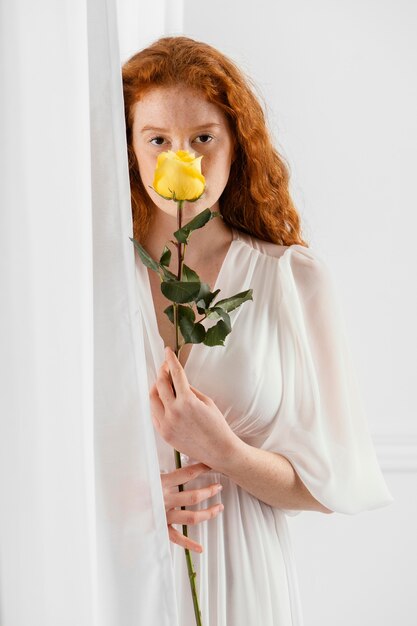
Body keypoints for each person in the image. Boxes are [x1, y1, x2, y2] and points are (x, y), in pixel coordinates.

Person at [122, 36, 394, 626]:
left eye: (203, 138)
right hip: (121, 572)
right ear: (131, 150)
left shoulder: (291, 281)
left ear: (236, 142)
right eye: (159, 140)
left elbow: (328, 484)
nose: (184, 160)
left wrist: (225, 452)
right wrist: (127, 502)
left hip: (247, 583)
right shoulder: (94, 288)